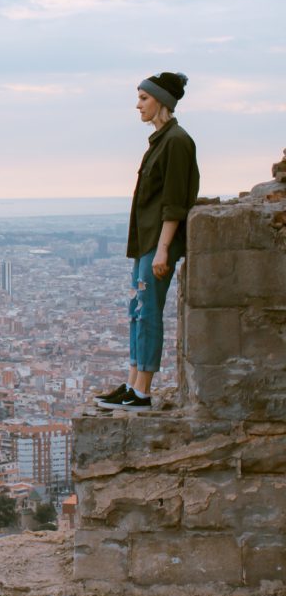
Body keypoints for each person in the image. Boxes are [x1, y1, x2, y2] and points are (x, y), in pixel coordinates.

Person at [95, 72, 200, 412]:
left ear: (161, 102)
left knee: (149, 311)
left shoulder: (177, 141)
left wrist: (165, 249)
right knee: (137, 310)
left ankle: (142, 392)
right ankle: (132, 384)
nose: (138, 105)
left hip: (159, 241)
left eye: (143, 98)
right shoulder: (161, 141)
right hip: (147, 240)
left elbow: (174, 200)